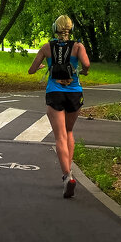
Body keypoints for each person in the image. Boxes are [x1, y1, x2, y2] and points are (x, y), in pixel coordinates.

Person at [28, 15, 91, 198]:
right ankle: (69, 171)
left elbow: (31, 70)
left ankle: (67, 176)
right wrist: (84, 71)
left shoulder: (47, 47)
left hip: (55, 92)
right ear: (70, 29)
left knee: (60, 136)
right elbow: (86, 64)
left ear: (54, 28)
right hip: (74, 93)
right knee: (69, 132)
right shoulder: (78, 47)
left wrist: (41, 67)